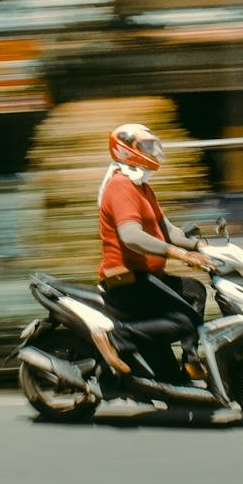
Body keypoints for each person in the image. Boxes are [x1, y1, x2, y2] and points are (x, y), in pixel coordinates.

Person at [94, 122, 214, 383]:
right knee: (185, 320)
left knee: (196, 291)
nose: (154, 151)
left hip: (148, 276)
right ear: (125, 151)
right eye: (146, 146)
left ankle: (191, 359)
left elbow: (167, 230)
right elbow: (131, 237)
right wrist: (179, 255)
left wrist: (200, 247)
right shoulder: (121, 186)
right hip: (126, 280)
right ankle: (118, 337)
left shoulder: (141, 186)